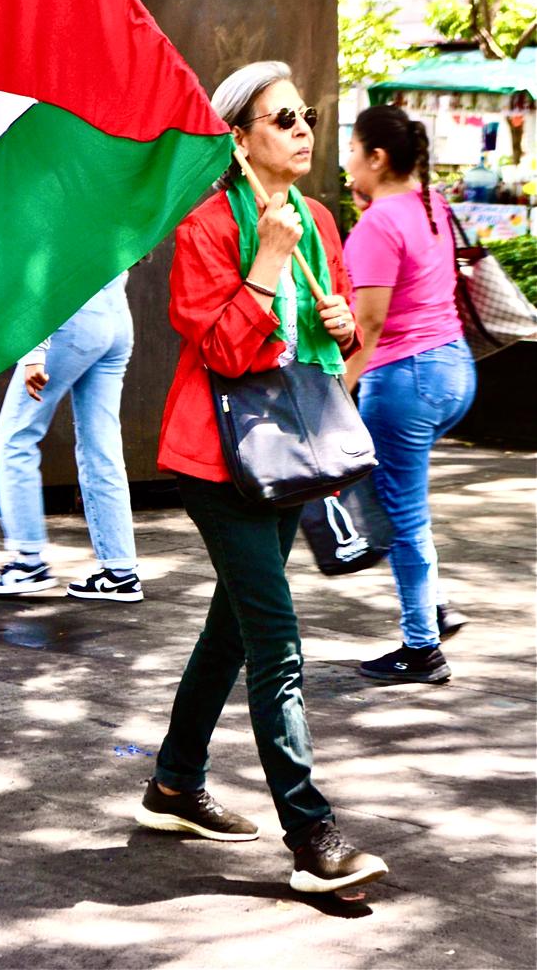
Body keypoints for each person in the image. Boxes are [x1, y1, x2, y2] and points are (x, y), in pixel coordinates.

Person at [135, 61, 388, 895]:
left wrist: (342, 321)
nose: (303, 127)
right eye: (282, 118)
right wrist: (266, 263)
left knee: (235, 629)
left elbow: (341, 331)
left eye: (306, 114)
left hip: (292, 452)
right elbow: (221, 350)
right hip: (220, 461)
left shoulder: (316, 216)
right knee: (275, 641)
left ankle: (172, 783)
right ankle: (311, 835)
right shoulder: (208, 225)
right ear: (239, 139)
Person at [344, 105, 476, 684]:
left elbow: (368, 326)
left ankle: (422, 647)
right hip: (453, 372)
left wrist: (337, 389)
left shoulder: (378, 224)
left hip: (406, 381)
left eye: (352, 149)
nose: (346, 159)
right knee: (392, 493)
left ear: (376, 158)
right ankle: (434, 604)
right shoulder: (431, 207)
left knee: (402, 512)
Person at [0, 274, 143, 602]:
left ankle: (28, 563)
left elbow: (46, 263)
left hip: (72, 317)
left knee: (16, 436)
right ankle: (120, 573)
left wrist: (34, 352)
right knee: (101, 445)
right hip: (116, 315)